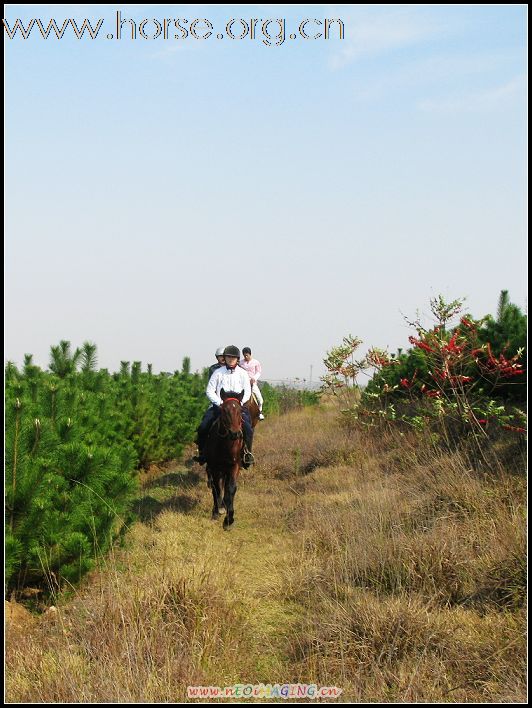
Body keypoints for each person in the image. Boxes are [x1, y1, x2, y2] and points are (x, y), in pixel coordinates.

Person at [194, 345, 255, 468]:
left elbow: (247, 391)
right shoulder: (217, 373)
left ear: (237, 359)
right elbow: (210, 390)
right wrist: (219, 403)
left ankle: (247, 453)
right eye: (228, 357)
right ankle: (202, 453)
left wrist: (240, 403)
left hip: (238, 408)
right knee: (203, 426)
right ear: (224, 358)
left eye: (233, 358)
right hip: (219, 407)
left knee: (248, 428)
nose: (230, 359)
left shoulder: (243, 373)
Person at [239, 347, 265, 420]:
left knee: (260, 400)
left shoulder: (256, 362)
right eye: (244, 355)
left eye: (247, 355)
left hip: (252, 383)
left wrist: (254, 378)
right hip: (243, 384)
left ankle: (259, 413)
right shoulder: (241, 363)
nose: (246, 357)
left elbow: (258, 372)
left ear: (250, 354)